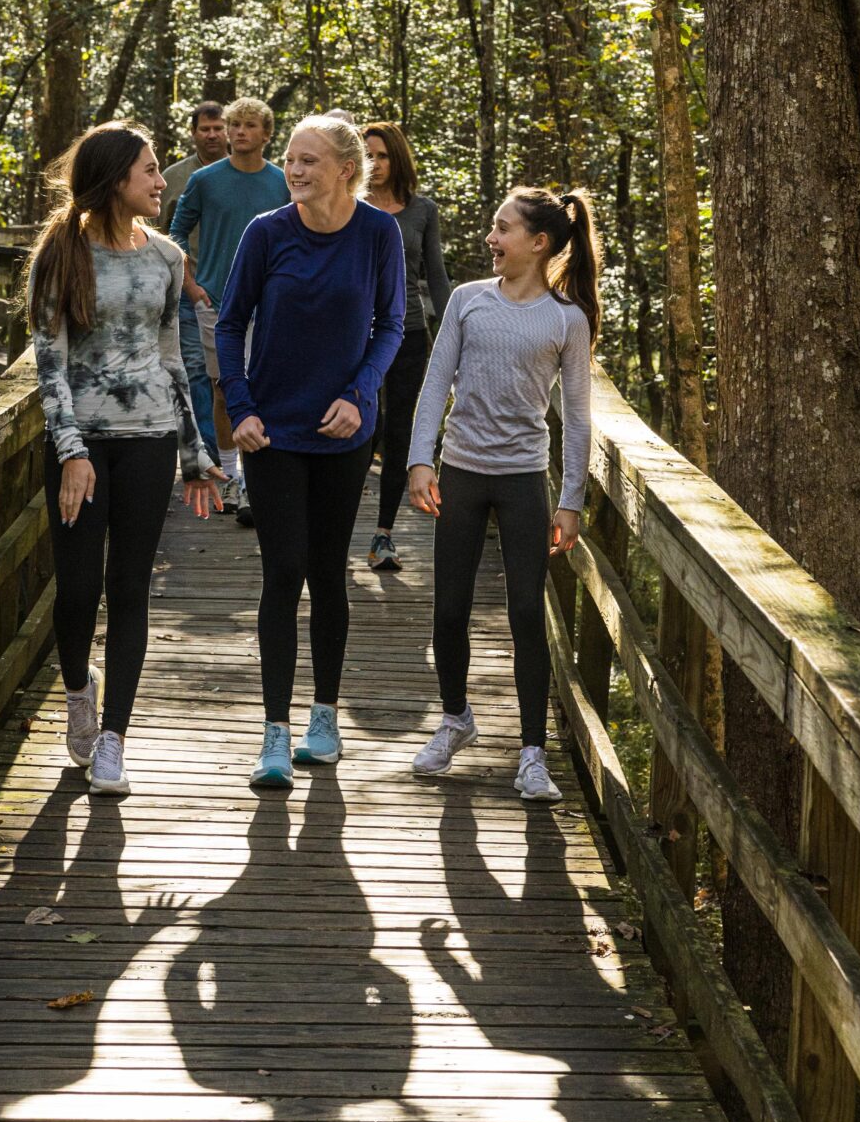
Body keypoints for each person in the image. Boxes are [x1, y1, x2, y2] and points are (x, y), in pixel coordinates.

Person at [28, 122, 224, 796]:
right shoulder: (60, 253)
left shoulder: (167, 257)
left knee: (132, 589)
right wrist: (71, 451)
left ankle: (113, 739)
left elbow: (175, 359)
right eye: (149, 170)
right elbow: (48, 365)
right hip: (80, 446)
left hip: (150, 442)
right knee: (79, 589)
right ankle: (80, 692)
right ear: (117, 179)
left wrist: (197, 450)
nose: (159, 180)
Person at [216, 116, 405, 789]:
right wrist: (240, 409)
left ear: (347, 169)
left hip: (344, 431)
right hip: (272, 430)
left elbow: (391, 325)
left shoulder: (378, 233)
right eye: (291, 160)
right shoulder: (267, 232)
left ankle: (323, 719)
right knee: (283, 569)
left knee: (328, 572)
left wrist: (359, 394)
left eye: (308, 161)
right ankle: (273, 733)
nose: (294, 171)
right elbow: (231, 321)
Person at [406, 187, 598, 803]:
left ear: (537, 244)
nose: (491, 238)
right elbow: (436, 384)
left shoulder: (567, 319)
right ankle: (457, 718)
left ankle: (532, 754)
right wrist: (419, 460)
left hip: (522, 481)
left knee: (524, 617)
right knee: (449, 611)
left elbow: (578, 416)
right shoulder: (467, 301)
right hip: (461, 471)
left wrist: (570, 500)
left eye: (502, 228)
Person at [170, 97, 291, 522]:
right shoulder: (205, 180)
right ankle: (233, 476)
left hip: (271, 302)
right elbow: (176, 233)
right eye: (234, 124)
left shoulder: (282, 181)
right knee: (224, 388)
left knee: (265, 387)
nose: (239, 131)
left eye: (249, 125)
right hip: (216, 301)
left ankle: (261, 479)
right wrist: (191, 284)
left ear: (266, 134)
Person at [362, 121, 453, 570]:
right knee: (365, 424)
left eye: (381, 155)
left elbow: (435, 276)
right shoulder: (346, 207)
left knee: (399, 431)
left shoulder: (422, 211)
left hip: (409, 334)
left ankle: (384, 534)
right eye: (366, 155)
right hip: (355, 336)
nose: (374, 164)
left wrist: (459, 331)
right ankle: (333, 527)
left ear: (397, 158)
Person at [161, 103, 228, 464]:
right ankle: (212, 454)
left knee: (234, 377)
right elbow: (160, 234)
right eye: (206, 128)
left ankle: (240, 458)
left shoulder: (250, 174)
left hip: (241, 294)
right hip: (191, 291)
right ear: (194, 132)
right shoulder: (173, 177)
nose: (213, 135)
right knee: (198, 372)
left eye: (219, 128)